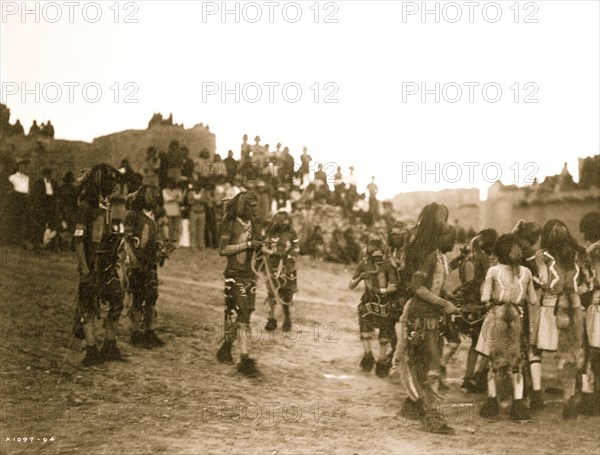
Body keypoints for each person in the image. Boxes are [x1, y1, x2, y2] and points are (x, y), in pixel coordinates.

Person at [395, 202, 459, 434]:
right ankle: (431, 417)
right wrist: (444, 303)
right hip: (423, 314)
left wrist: (448, 296)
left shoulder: (438, 256)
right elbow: (419, 288)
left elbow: (434, 285)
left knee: (428, 363)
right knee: (430, 364)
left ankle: (415, 405)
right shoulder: (429, 256)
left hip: (432, 314)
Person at [529, 220, 587, 418]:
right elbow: (586, 284)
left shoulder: (542, 255)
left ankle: (536, 394)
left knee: (535, 350)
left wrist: (532, 278)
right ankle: (570, 398)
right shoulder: (577, 253)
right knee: (569, 354)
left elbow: (545, 281)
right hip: (574, 307)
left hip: (551, 307)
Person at [476, 234, 537, 421]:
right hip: (517, 318)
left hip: (497, 317)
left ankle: (493, 404)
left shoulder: (493, 271)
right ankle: (518, 406)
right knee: (517, 363)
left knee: (495, 362)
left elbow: (484, 298)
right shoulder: (526, 272)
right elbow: (533, 300)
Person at [72, 164, 125, 366]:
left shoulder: (105, 206)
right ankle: (91, 349)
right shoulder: (86, 206)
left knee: (117, 298)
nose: (113, 186)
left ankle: (110, 344)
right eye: (109, 181)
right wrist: (85, 269)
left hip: (106, 263)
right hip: (91, 263)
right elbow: (78, 240)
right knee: (89, 305)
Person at [216, 192, 264, 377]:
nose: (255, 209)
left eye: (255, 205)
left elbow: (258, 247)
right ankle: (244, 358)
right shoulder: (229, 223)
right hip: (234, 274)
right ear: (242, 206)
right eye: (251, 205)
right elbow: (222, 250)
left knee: (245, 314)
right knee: (241, 311)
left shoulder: (255, 225)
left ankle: (226, 347)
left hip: (250, 276)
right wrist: (247, 245)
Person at [448, 229, 498, 393]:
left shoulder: (468, 257)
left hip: (470, 303)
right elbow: (475, 283)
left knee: (476, 343)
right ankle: (476, 377)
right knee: (486, 341)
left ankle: (469, 378)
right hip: (478, 304)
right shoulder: (481, 259)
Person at [125, 185, 170, 349]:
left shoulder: (152, 216)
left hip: (150, 262)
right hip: (137, 262)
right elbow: (126, 241)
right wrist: (133, 261)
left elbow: (153, 238)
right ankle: (136, 332)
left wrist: (160, 248)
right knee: (137, 298)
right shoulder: (132, 215)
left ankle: (149, 331)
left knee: (151, 296)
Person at [350, 238, 398, 377]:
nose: (378, 258)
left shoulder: (388, 265)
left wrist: (381, 291)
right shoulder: (363, 264)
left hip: (384, 302)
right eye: (375, 255)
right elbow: (351, 284)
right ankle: (367, 355)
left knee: (384, 335)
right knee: (365, 330)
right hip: (368, 301)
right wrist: (360, 278)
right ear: (369, 254)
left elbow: (394, 286)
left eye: (380, 254)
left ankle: (382, 360)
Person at [263, 211, 300, 332]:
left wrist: (289, 257)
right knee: (271, 292)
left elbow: (296, 249)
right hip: (272, 266)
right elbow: (264, 246)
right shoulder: (270, 232)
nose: (285, 224)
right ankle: (271, 319)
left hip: (287, 267)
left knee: (286, 293)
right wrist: (270, 252)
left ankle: (287, 319)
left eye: (287, 221)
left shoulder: (291, 233)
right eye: (282, 221)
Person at [579, 212, 600, 415]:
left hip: (596, 306)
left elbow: (593, 282)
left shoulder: (592, 252)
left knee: (591, 352)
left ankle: (590, 399)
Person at [186, 181, 208, 251]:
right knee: (193, 230)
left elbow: (205, 201)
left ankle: (200, 245)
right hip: (193, 212)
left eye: (198, 188)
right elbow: (189, 202)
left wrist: (196, 199)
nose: (197, 189)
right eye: (196, 188)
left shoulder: (204, 193)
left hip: (202, 212)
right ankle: (193, 246)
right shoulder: (190, 193)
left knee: (201, 230)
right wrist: (198, 199)